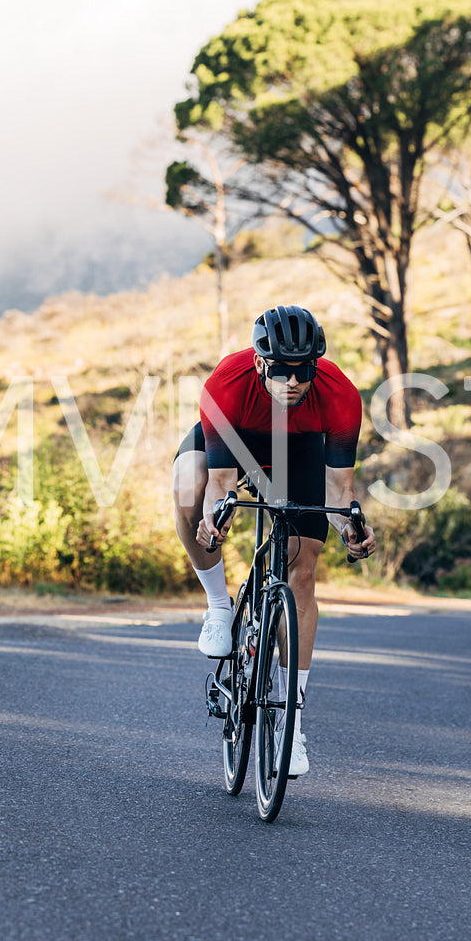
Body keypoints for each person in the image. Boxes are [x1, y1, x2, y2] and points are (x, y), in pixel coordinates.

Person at [172, 304, 376, 775]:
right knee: (190, 485)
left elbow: (339, 491)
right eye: (281, 370)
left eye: (302, 371)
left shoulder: (339, 393)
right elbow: (221, 482)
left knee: (301, 573)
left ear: (315, 366)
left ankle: (292, 727)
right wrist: (213, 521)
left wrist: (351, 529)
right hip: (235, 438)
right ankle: (220, 608)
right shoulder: (226, 382)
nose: (292, 382)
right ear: (261, 362)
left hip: (298, 449)